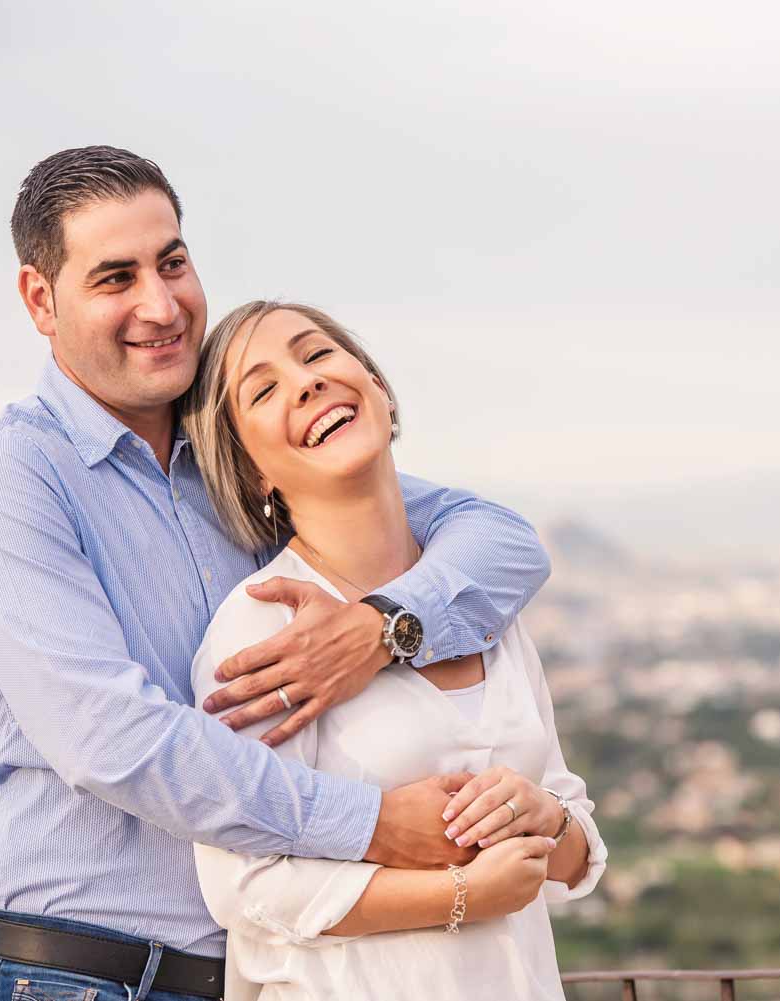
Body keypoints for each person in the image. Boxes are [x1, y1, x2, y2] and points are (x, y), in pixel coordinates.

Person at [0, 146, 552, 1001]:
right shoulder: (7, 481)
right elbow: (118, 742)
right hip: (78, 976)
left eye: (172, 262)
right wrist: (372, 826)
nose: (161, 303)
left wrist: (383, 627)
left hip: (255, 973)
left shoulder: (243, 465)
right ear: (42, 299)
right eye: (115, 278)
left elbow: (501, 540)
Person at [181, 300, 604, 1000]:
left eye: (316, 355)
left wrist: (544, 817)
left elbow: (575, 838)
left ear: (374, 382)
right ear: (252, 469)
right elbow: (243, 885)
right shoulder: (261, 628)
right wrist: (460, 892)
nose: (306, 382)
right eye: (263, 389)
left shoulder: (476, 604)